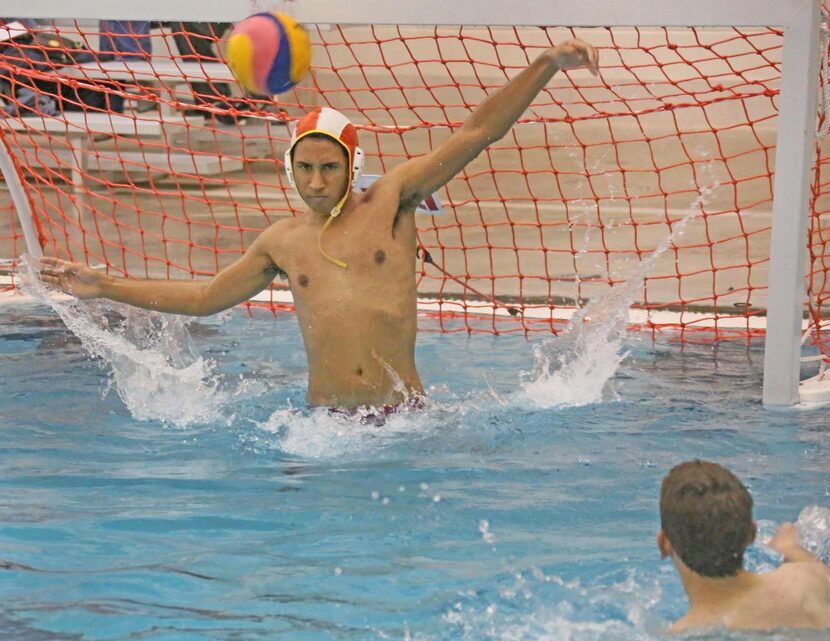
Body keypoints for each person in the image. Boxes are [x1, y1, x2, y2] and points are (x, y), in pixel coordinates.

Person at [37, 39, 599, 412]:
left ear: (351, 167)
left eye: (328, 168)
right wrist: (101, 285)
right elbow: (207, 298)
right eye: (304, 168)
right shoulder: (282, 242)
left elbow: (476, 134)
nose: (315, 181)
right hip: (321, 429)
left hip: (403, 420)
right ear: (291, 169)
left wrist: (545, 65)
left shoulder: (393, 201)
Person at [658, 459, 830, 633]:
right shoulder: (807, 581)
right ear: (752, 533)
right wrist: (788, 547)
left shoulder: (681, 633)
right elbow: (803, 559)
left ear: (663, 543)